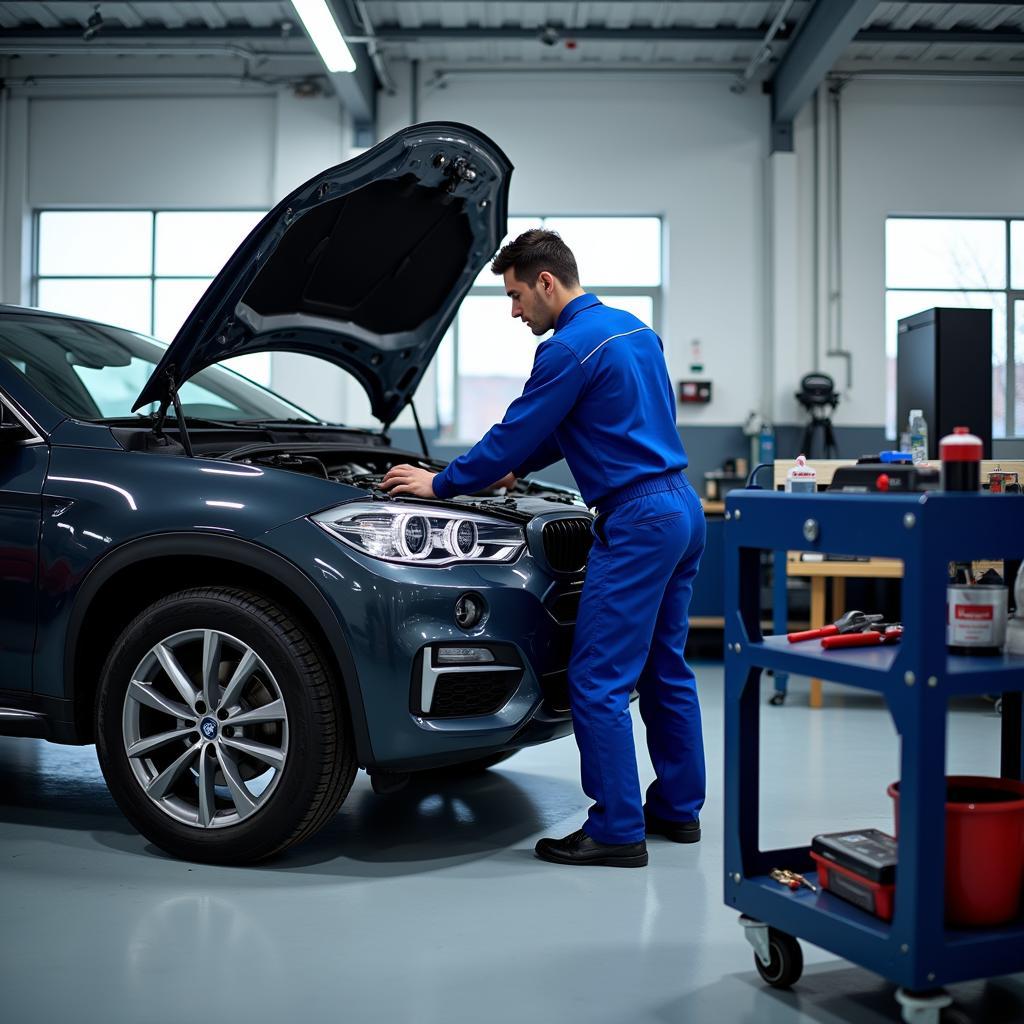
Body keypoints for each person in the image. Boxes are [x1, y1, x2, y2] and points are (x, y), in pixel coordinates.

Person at [381, 229, 705, 868]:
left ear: (547, 283)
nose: (514, 310)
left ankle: (616, 830)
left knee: (596, 677)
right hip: (681, 509)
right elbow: (593, 424)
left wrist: (442, 482)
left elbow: (517, 428)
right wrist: (517, 466)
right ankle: (678, 809)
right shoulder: (635, 332)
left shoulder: (565, 349)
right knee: (665, 668)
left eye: (515, 294)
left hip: (635, 519)